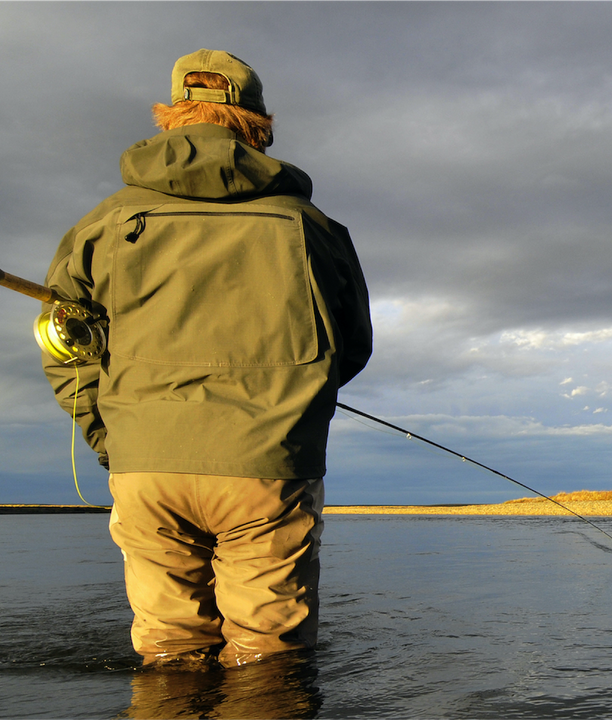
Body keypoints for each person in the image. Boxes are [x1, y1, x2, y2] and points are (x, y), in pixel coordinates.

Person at [41, 49, 372, 669]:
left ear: (170, 116)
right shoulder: (309, 224)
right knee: (267, 663)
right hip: (268, 465)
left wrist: (116, 439)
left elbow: (64, 348)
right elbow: (351, 346)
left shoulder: (103, 222)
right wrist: (289, 419)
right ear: (255, 121)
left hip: (145, 464)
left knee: (168, 656)